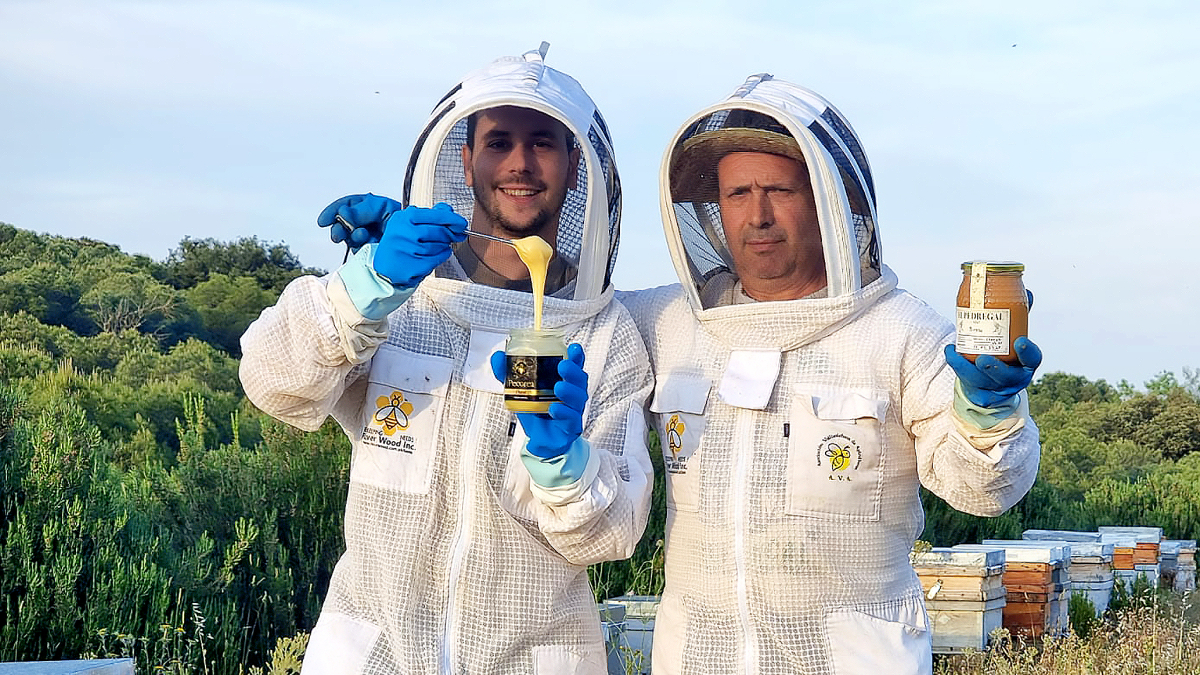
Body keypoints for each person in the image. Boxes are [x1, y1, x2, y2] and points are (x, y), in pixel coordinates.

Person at [240, 44, 653, 674]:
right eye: (499, 142)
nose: (520, 164)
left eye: (543, 142)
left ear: (576, 164)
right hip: (371, 655)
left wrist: (562, 464)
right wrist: (366, 283)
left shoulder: (605, 333)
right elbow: (274, 385)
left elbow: (613, 535)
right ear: (463, 158)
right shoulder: (405, 298)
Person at [616, 74, 1043, 674]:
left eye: (779, 190)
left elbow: (984, 492)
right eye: (738, 194)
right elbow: (552, 316)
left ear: (829, 202)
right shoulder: (666, 322)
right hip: (696, 657)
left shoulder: (902, 331)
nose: (757, 215)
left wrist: (989, 414)